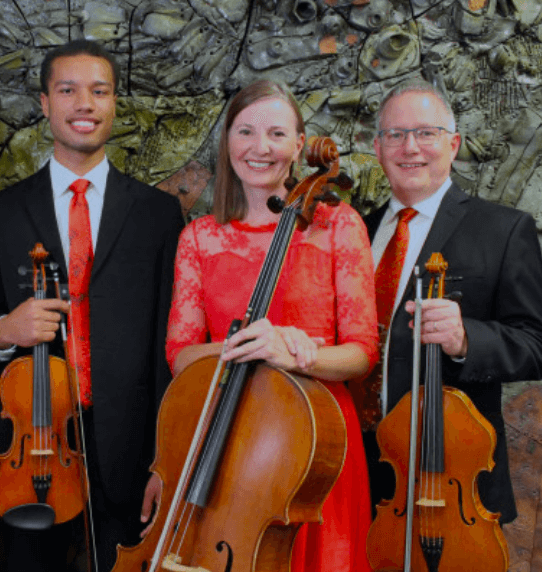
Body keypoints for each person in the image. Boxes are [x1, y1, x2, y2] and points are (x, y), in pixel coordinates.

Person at [0, 40, 184, 572]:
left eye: (99, 91)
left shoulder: (160, 215)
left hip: (131, 448)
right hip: (33, 444)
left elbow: (168, 344)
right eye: (68, 90)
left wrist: (166, 458)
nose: (84, 104)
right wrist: (4, 330)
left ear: (115, 103)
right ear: (45, 103)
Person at [166, 79, 378, 571]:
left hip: (319, 444)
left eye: (277, 134)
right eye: (245, 132)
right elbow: (180, 356)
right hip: (230, 441)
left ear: (299, 145)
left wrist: (297, 353)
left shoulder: (339, 225)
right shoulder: (200, 238)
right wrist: (247, 345)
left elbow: (362, 352)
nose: (260, 148)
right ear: (228, 143)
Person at [364, 79, 542, 524]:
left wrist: (466, 338)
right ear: (378, 148)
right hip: (355, 467)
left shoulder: (503, 229)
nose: (410, 147)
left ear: (452, 145)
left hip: (447, 472)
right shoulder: (354, 228)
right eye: (395, 135)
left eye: (426, 133)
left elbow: (538, 347)